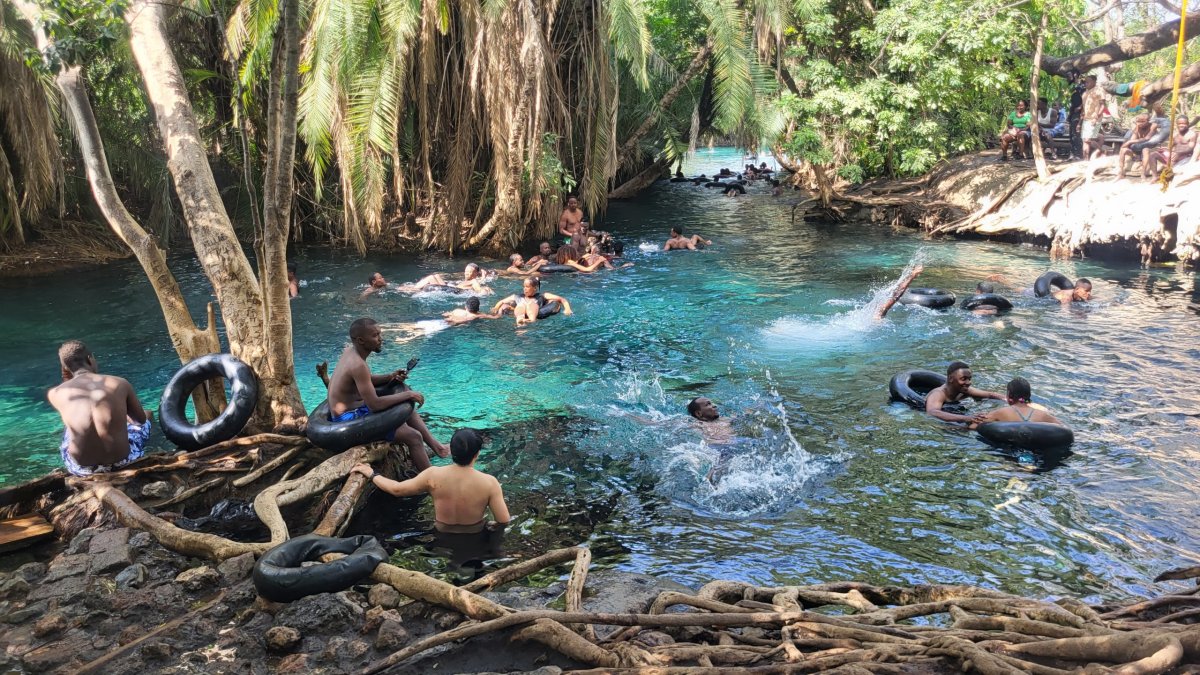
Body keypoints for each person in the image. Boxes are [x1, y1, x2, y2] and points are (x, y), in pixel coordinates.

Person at [327, 318, 448, 470]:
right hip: (346, 420)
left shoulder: (349, 352)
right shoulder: (358, 365)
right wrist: (408, 394)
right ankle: (433, 484)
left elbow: (362, 380)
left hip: (354, 409)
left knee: (405, 412)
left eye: (380, 334)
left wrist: (390, 376)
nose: (380, 339)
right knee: (414, 437)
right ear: (361, 340)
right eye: (375, 335)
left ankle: (438, 447)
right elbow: (375, 404)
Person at [350, 428, 510, 533]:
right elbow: (503, 521)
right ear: (477, 454)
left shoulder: (433, 475)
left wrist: (371, 473)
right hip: (475, 535)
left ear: (451, 451)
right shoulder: (490, 483)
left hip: (441, 535)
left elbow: (397, 489)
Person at [47, 341, 152, 476]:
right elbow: (140, 421)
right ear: (90, 359)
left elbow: (76, 412)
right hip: (125, 461)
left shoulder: (55, 394)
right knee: (147, 414)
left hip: (82, 469)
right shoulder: (120, 383)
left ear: (65, 368)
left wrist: (67, 379)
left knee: (69, 429)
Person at [924, 361, 1004, 425]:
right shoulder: (938, 394)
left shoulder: (964, 389)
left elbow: (990, 395)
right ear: (950, 379)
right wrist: (966, 418)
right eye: (963, 379)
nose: (968, 382)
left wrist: (1010, 399)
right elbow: (932, 412)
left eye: (969, 379)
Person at [974, 377, 1063, 427]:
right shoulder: (1043, 415)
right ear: (1029, 396)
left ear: (1010, 396)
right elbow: (1063, 429)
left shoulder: (1000, 413)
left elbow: (973, 426)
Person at [492, 277, 574, 326]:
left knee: (531, 304)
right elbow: (502, 301)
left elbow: (562, 299)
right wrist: (496, 307)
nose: (524, 289)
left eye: (527, 287)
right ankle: (520, 321)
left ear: (534, 288)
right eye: (524, 286)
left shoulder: (543, 295)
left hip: (534, 311)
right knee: (521, 305)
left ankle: (530, 320)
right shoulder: (517, 297)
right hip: (520, 311)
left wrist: (567, 309)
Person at [1118, 113, 1158, 179]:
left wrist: (1130, 142)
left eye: (1143, 121)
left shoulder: (1153, 126)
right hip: (1137, 152)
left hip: (1149, 150)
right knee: (1123, 150)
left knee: (1145, 149)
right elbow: (1132, 139)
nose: (1140, 123)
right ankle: (1121, 172)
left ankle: (1143, 174)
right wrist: (1130, 142)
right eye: (1138, 121)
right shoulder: (1137, 127)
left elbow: (1147, 138)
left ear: (1148, 121)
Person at [1080, 75, 1105, 160]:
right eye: (1085, 82)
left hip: (1095, 118)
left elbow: (1102, 106)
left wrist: (1096, 117)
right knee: (1085, 140)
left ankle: (1101, 151)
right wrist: (1080, 122)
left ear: (1094, 82)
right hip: (1086, 118)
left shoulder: (1099, 91)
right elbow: (1084, 108)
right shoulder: (1085, 93)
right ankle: (1085, 160)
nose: (1086, 83)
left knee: (1087, 139)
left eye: (1088, 82)